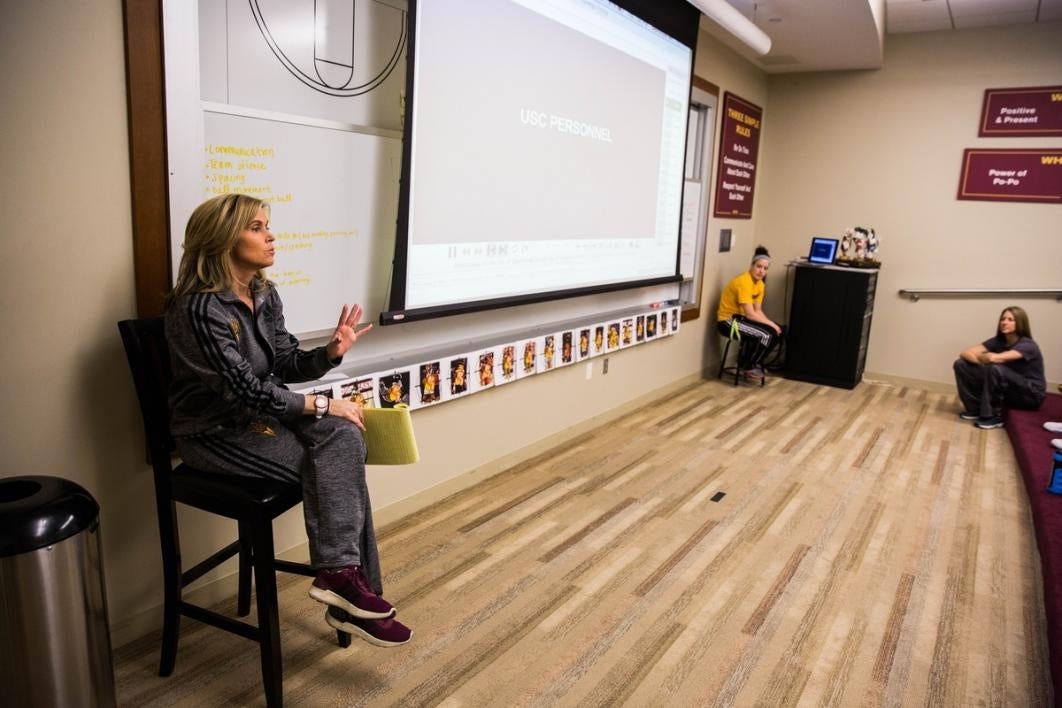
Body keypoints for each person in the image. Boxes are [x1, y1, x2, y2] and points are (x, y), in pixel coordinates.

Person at [165, 193, 411, 647]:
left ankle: (342, 583)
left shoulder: (263, 291)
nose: (271, 235)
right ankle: (349, 592)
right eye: (256, 227)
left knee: (343, 441)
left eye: (267, 225)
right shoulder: (200, 309)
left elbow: (286, 361)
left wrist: (330, 353)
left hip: (260, 418)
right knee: (339, 460)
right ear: (223, 238)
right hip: (215, 433)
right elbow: (245, 390)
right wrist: (322, 404)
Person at [953, 306, 1046, 429]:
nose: (1004, 322)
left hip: (1031, 395)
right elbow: (966, 353)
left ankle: (992, 416)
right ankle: (975, 409)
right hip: (1009, 388)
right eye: (1003, 319)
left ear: (1020, 323)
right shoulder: (998, 341)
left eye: (1010, 319)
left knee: (995, 368)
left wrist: (988, 358)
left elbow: (994, 359)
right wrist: (984, 360)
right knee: (961, 364)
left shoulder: (1028, 345)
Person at [716, 245, 782, 379]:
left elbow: (758, 311)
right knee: (766, 335)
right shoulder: (743, 282)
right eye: (758, 266)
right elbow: (751, 314)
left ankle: (751, 363)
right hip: (728, 322)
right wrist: (771, 325)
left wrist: (772, 326)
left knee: (775, 332)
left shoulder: (760, 285)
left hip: (742, 319)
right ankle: (750, 366)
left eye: (765, 268)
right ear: (751, 265)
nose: (761, 271)